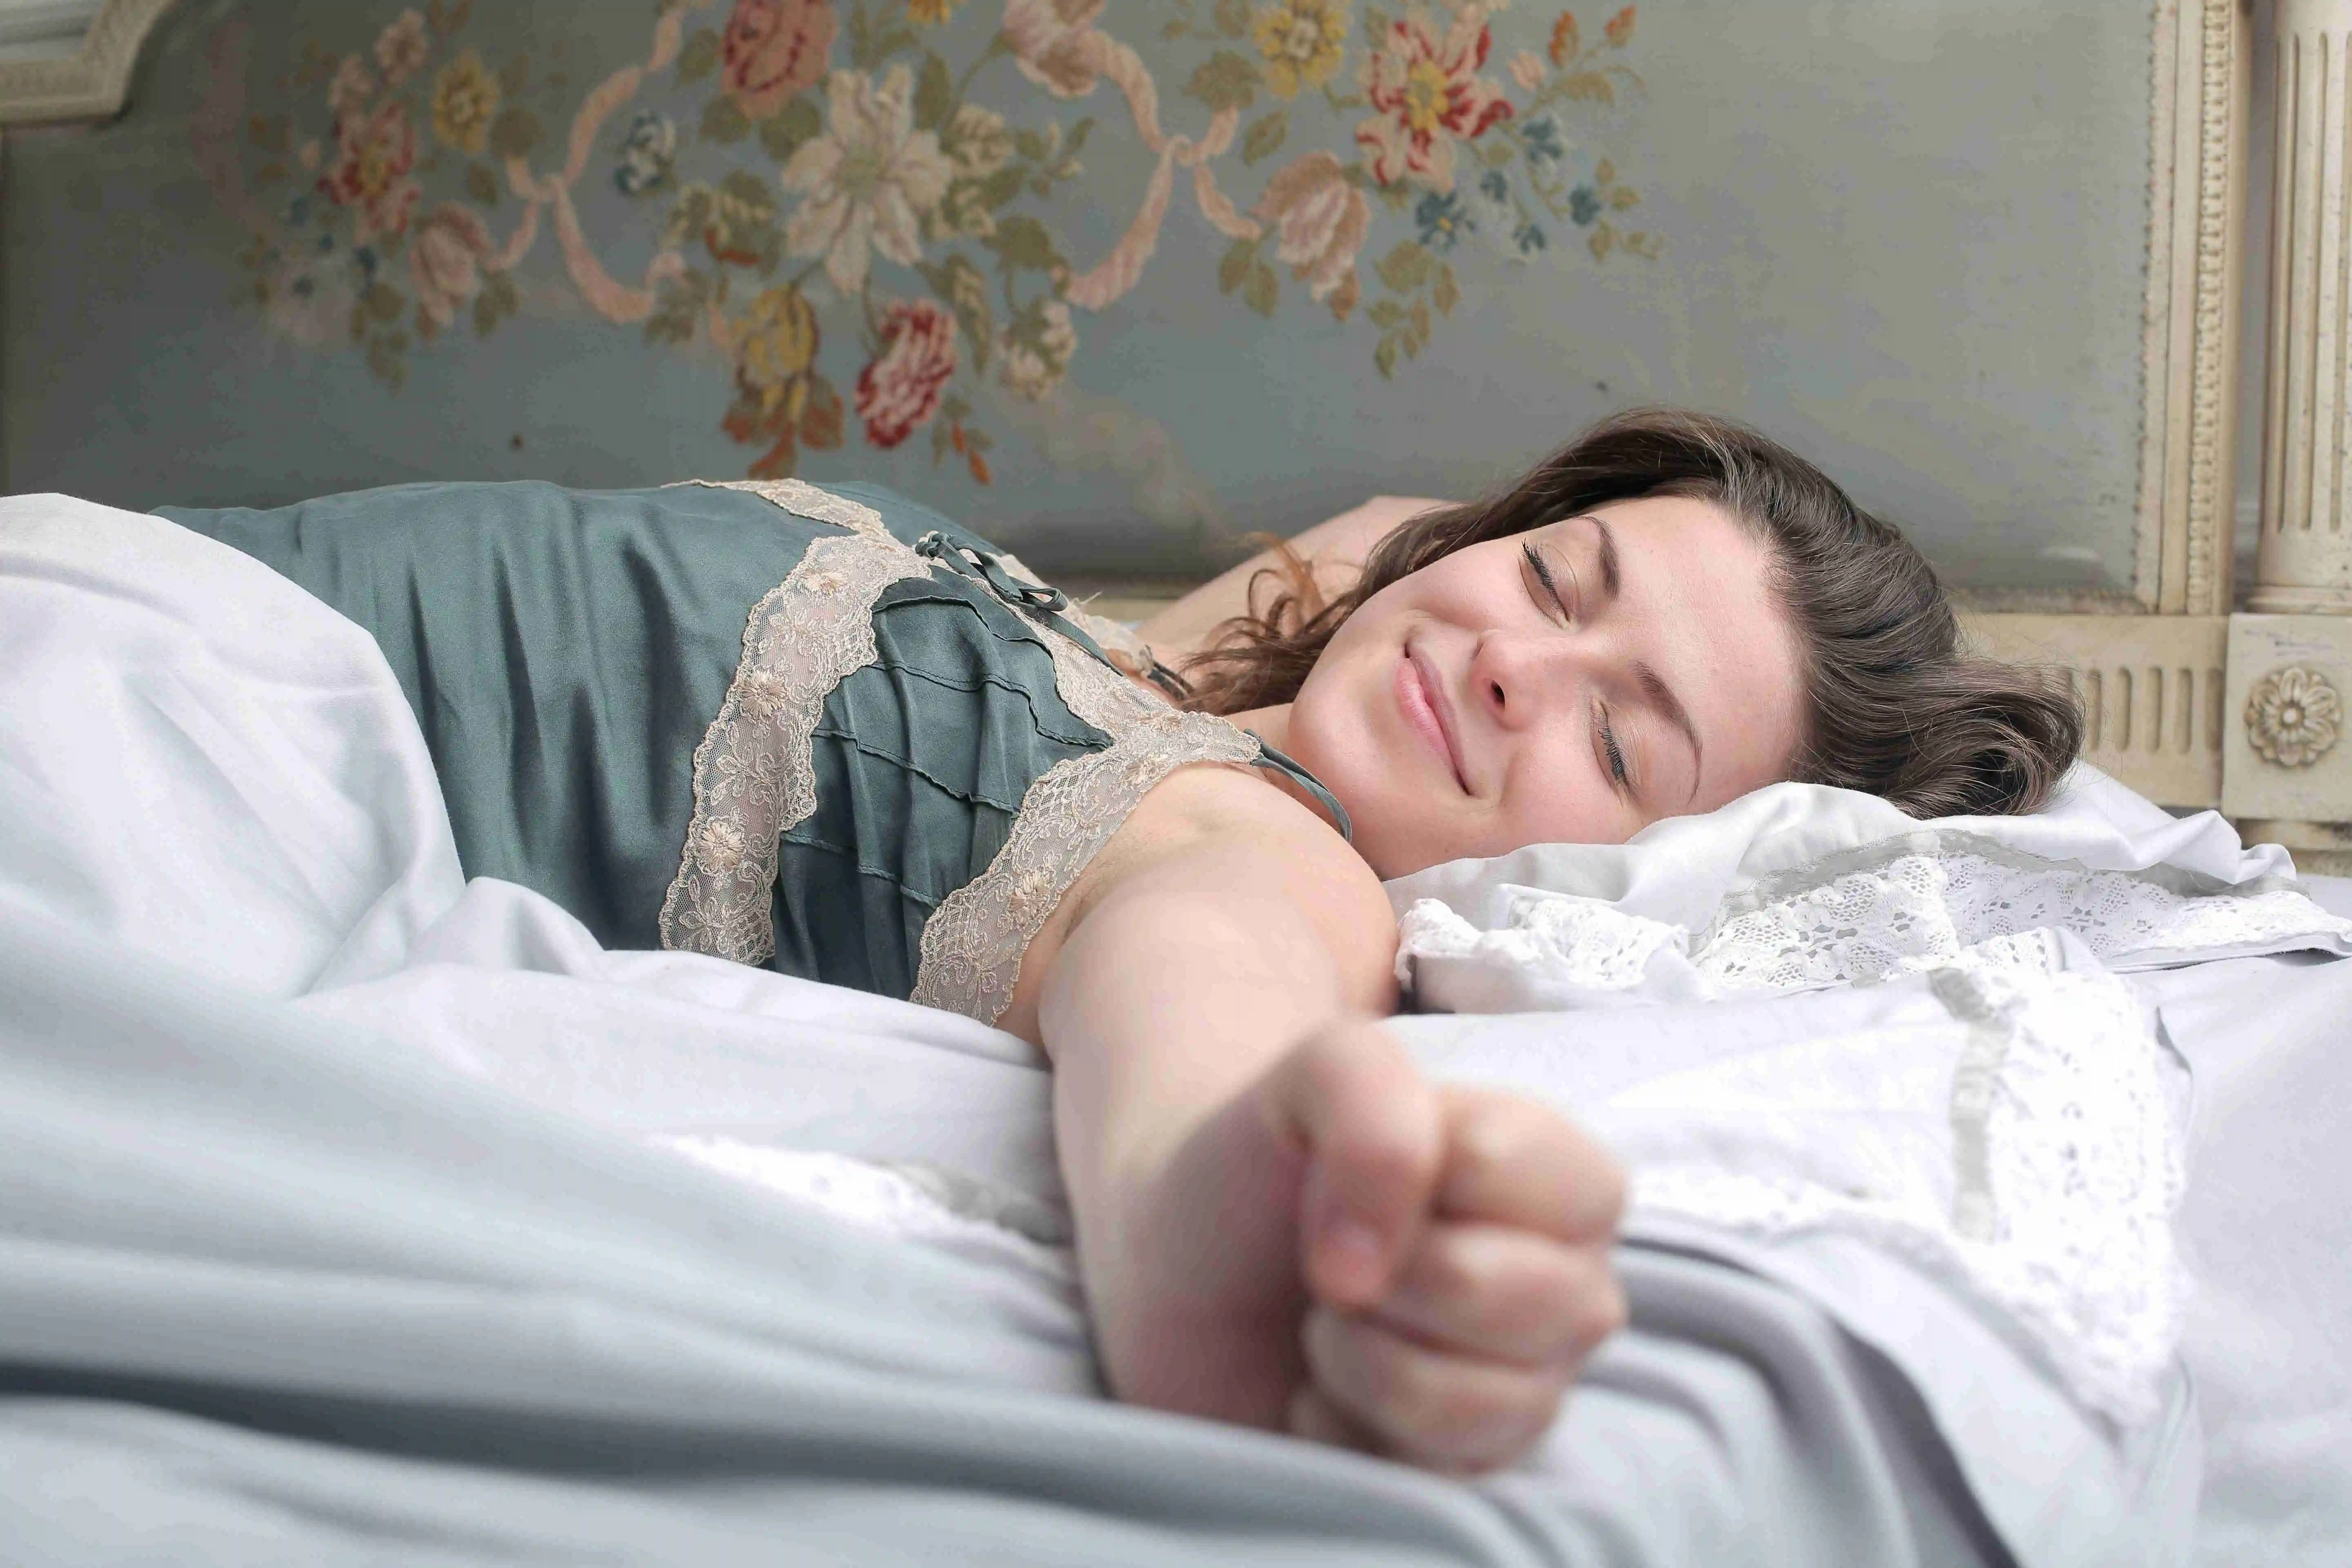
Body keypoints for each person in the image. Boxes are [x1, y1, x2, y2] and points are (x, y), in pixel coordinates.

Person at [155, 408, 2082, 1476]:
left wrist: (1237, 1231)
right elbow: (1372, 557)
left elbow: (1210, 1018)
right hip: (145, 581)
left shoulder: (1267, 857)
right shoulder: (1143, 672)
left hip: (195, 742)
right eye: (1558, 575)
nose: (1513, 659)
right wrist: (1412, 567)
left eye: (1616, 732)